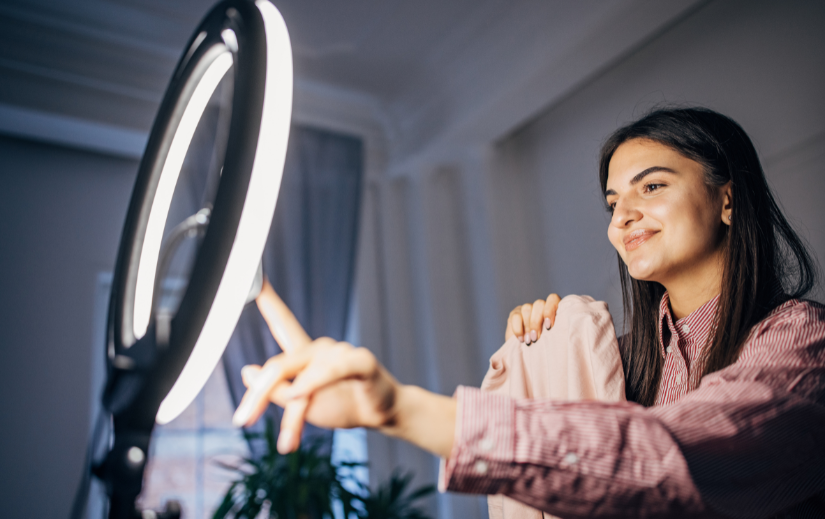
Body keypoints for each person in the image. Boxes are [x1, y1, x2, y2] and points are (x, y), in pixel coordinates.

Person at [231, 107, 825, 518]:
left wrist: (399, 407)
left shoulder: (801, 343)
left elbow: (675, 458)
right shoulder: (618, 361)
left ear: (726, 198)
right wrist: (550, 353)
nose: (621, 218)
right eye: (613, 201)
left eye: (651, 187)